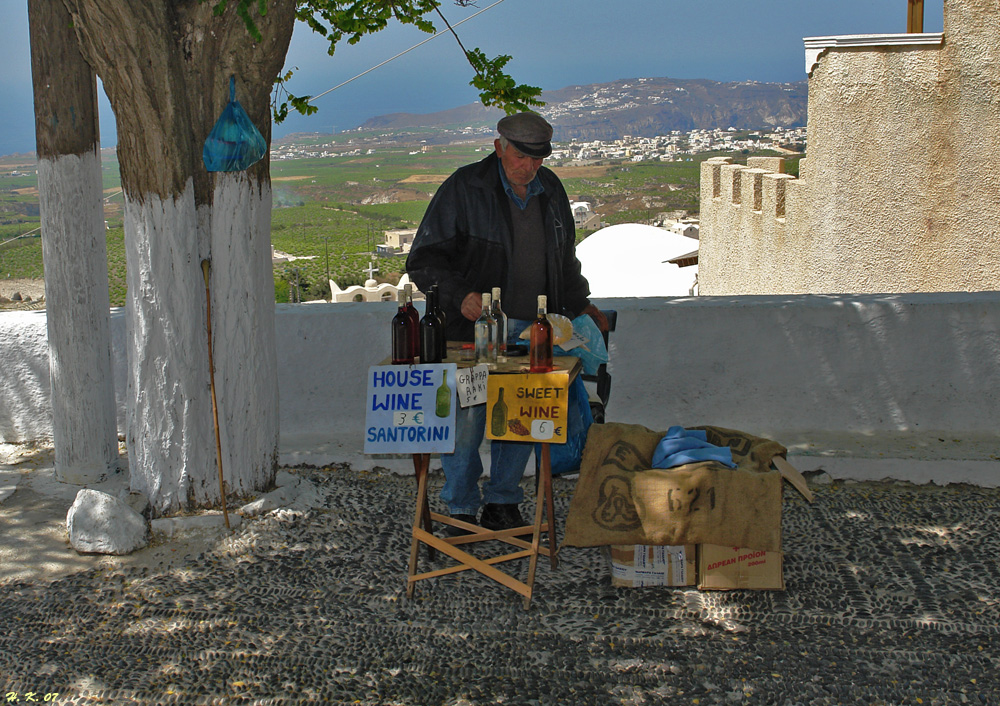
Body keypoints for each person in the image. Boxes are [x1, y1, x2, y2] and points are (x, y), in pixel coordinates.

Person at [406, 112, 608, 533]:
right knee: (467, 419)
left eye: (537, 159)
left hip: (533, 330)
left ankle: (503, 501)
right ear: (499, 147)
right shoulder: (465, 188)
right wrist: (460, 296)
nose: (529, 167)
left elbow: (565, 257)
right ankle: (460, 506)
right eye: (520, 156)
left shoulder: (550, 189)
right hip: (474, 333)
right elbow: (422, 261)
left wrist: (581, 303)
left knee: (518, 418)